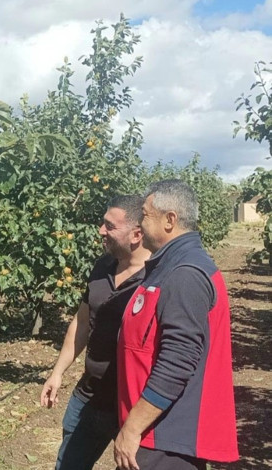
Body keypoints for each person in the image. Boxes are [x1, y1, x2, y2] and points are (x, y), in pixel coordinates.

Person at [114, 180, 239, 470]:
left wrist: (132, 428)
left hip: (166, 440)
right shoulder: (170, 266)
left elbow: (177, 362)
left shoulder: (185, 274)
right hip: (155, 434)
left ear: (170, 220)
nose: (139, 223)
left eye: (145, 215)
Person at [41, 195, 151, 470]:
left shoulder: (156, 278)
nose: (101, 230)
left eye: (109, 226)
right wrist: (57, 372)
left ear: (137, 234)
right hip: (89, 396)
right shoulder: (103, 266)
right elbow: (81, 323)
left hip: (131, 406)